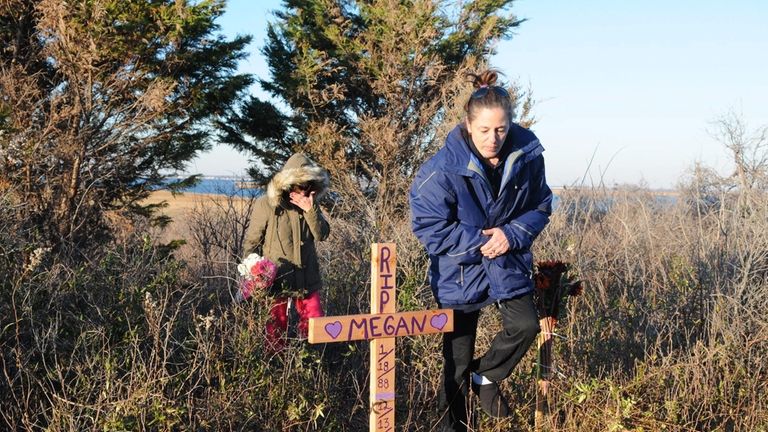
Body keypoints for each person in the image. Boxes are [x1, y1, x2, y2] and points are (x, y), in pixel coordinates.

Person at [409, 70, 552, 431]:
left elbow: (541, 204)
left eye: (501, 129)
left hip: (508, 260)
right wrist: (482, 241)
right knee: (456, 361)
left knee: (525, 325)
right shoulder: (441, 169)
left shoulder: (528, 154)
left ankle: (486, 376)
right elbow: (430, 228)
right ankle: (450, 426)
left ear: (510, 123)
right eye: (485, 130)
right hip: (460, 272)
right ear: (468, 125)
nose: (494, 138)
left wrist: (511, 233)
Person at [248, 153, 331, 351]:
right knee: (275, 332)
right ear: (288, 184)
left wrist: (311, 211)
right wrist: (253, 272)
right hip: (276, 278)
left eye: (309, 185)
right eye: (301, 185)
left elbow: (322, 235)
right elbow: (252, 241)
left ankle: (311, 368)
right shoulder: (266, 205)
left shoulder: (310, 204)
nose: (305, 190)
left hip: (307, 279)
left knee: (315, 329)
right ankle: (277, 372)